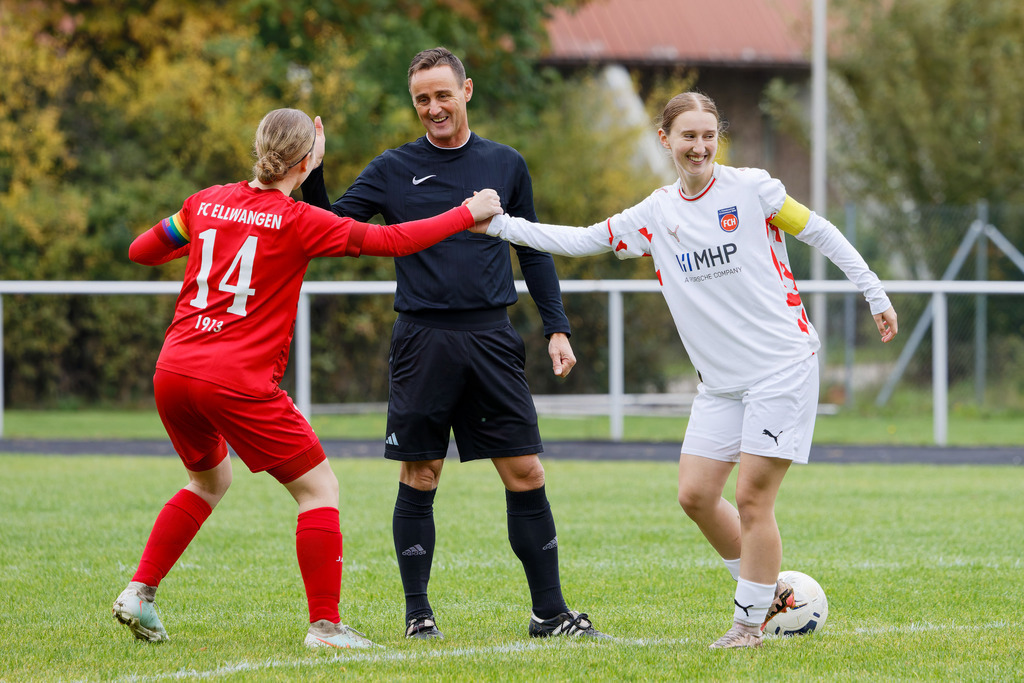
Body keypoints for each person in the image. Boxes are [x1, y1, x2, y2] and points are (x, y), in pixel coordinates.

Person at [472, 91, 899, 649]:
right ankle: (765, 590)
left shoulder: (753, 189)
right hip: (720, 385)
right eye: (688, 136)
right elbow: (579, 241)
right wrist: (500, 226)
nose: (699, 146)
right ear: (666, 141)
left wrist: (873, 290)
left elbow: (819, 230)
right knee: (696, 496)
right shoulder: (655, 213)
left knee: (752, 499)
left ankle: (748, 625)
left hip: (781, 367)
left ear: (718, 137)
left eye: (708, 135)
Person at [111, 107, 502, 650]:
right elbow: (392, 242)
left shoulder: (205, 202)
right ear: (307, 159)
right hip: (235, 380)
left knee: (209, 480)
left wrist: (209, 234)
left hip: (174, 371)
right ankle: (325, 625)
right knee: (319, 489)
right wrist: (466, 212)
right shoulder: (299, 220)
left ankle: (141, 593)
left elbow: (140, 251)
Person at [301, 47, 608, 641]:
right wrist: (315, 170)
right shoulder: (392, 168)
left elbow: (535, 247)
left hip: (492, 337)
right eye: (422, 99)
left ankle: (550, 614)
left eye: (443, 94)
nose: (433, 107)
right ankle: (419, 617)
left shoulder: (505, 163)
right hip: (423, 339)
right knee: (421, 475)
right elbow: (329, 230)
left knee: (524, 471)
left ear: (466, 91)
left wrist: (557, 326)